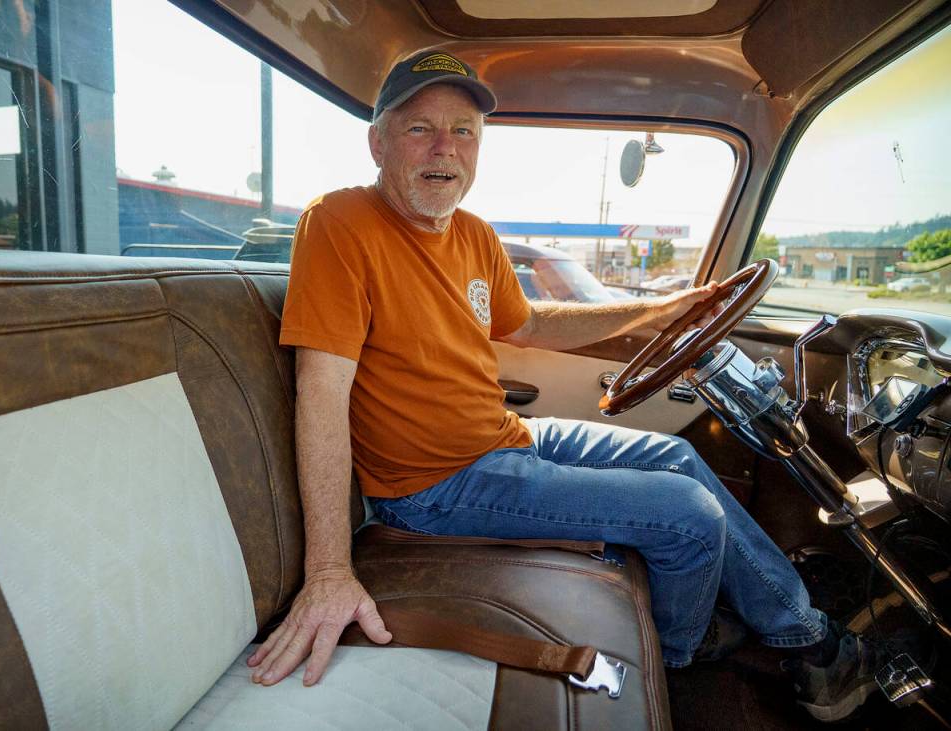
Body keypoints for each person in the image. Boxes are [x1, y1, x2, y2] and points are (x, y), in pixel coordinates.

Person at [247, 50, 878, 722]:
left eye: (464, 132)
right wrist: (328, 572)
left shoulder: (473, 234)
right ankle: (684, 650)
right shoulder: (340, 223)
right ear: (377, 142)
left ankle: (797, 628)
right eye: (419, 129)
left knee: (681, 458)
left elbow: (532, 321)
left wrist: (659, 308)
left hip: (506, 439)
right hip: (431, 487)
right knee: (690, 517)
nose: (445, 149)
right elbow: (320, 389)